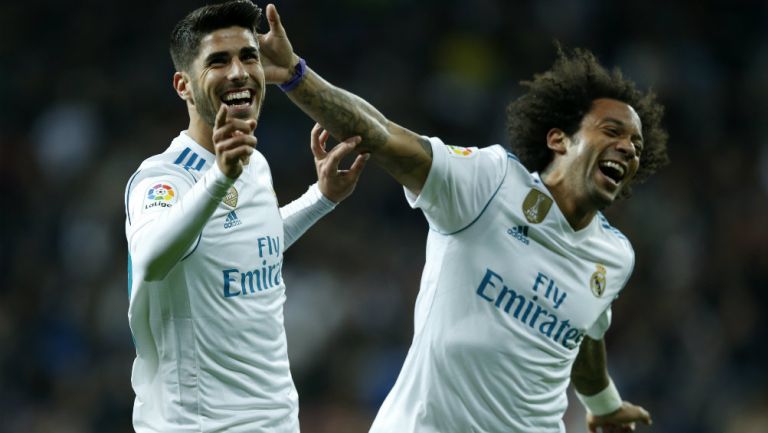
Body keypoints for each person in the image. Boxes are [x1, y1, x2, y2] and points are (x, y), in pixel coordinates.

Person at [257, 3, 669, 433]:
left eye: (637, 145)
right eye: (612, 131)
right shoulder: (489, 183)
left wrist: (602, 404)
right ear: (559, 139)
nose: (628, 148)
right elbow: (380, 134)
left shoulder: (615, 257)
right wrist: (296, 76)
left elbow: (582, 330)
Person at [123, 1, 368, 432]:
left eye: (248, 57)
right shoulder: (162, 178)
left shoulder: (252, 165)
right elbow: (151, 259)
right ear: (183, 85)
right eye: (218, 61)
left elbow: (254, 247)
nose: (238, 72)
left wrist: (321, 198)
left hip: (275, 420)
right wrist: (219, 176)